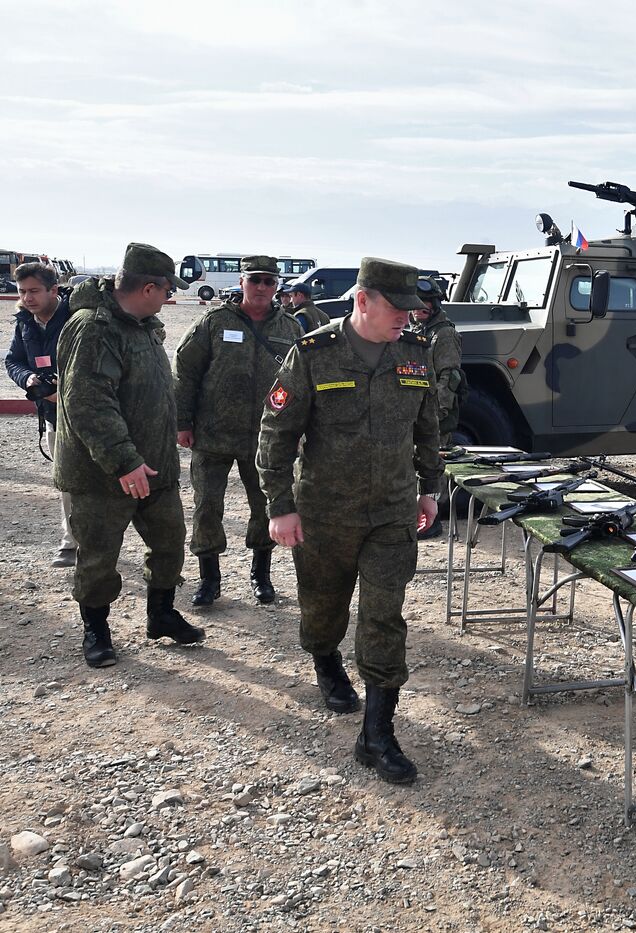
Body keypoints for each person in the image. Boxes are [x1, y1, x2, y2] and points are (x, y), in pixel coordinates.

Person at [257, 257, 442, 785]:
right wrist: (280, 505)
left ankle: (377, 735)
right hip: (325, 512)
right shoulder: (313, 354)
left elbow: (428, 428)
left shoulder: (414, 353)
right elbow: (276, 435)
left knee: (384, 614)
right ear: (362, 301)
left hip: (391, 512)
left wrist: (429, 489)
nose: (406, 318)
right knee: (324, 606)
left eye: (412, 308)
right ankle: (325, 661)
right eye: (396, 308)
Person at [54, 243, 204, 668]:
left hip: (154, 468)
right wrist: (124, 460)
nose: (169, 298)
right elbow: (88, 403)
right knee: (99, 556)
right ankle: (96, 631)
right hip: (103, 473)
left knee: (170, 544)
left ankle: (161, 614)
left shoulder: (143, 325)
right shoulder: (93, 328)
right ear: (149, 288)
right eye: (166, 290)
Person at [175, 256, 303, 607]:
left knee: (265, 506)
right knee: (206, 507)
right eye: (255, 280)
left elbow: (302, 382)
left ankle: (260, 576)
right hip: (212, 434)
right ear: (242, 282)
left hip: (265, 439)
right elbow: (186, 372)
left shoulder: (291, 329)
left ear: (277, 286)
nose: (262, 287)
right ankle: (209, 580)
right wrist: (183, 422)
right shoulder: (214, 323)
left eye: (269, 281)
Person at [6, 262, 76, 566]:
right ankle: (71, 541)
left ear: (53, 290)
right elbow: (13, 361)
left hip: (87, 416)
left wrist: (66, 389)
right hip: (52, 417)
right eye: (22, 291)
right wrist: (29, 379)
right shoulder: (25, 322)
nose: (27, 297)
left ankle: (100, 544)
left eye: (34, 290)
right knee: (65, 482)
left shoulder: (76, 319)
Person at [406, 278, 463, 539]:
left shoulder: (444, 333)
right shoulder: (417, 329)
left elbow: (449, 377)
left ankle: (434, 518)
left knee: (432, 460)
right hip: (415, 407)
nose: (419, 308)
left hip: (434, 410)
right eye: (415, 303)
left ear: (434, 304)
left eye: (425, 303)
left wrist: (437, 413)